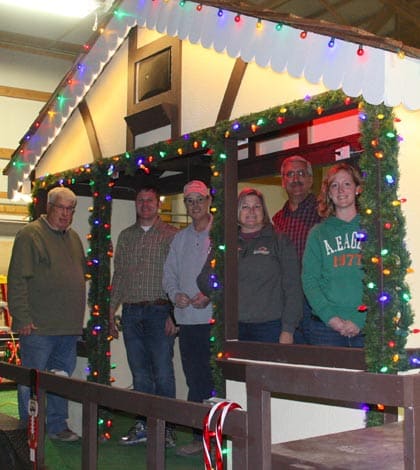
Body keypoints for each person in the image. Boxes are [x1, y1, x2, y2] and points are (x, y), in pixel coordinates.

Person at [8, 186, 86, 442]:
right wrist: (21, 318)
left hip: (68, 328)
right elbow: (17, 280)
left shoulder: (74, 238)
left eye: (70, 209)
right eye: (61, 208)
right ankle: (27, 430)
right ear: (49, 207)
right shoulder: (30, 235)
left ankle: (55, 426)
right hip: (38, 328)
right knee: (31, 381)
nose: (66, 214)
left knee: (60, 381)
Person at [109, 185, 178, 448]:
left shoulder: (172, 235)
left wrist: (174, 315)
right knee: (139, 374)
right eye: (140, 200)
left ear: (158, 204)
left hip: (160, 312)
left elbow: (177, 277)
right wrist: (109, 312)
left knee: (162, 372)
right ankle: (144, 425)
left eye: (150, 200)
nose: (145, 204)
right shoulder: (126, 236)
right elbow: (120, 276)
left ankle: (167, 427)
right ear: (136, 204)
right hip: (131, 313)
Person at [198, 188, 302, 343]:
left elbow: (293, 288)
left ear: (264, 211)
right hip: (232, 327)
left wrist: (288, 329)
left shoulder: (279, 241)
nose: (251, 211)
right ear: (238, 211)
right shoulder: (225, 243)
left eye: (257, 206)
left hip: (270, 328)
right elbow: (203, 279)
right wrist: (221, 293)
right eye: (245, 206)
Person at [163, 180, 214, 457]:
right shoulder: (179, 239)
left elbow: (228, 272)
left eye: (199, 199)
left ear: (209, 201)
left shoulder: (221, 232)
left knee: (217, 381)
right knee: (195, 381)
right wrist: (175, 295)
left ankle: (220, 437)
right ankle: (199, 438)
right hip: (189, 323)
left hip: (215, 322)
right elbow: (169, 274)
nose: (195, 205)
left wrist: (210, 294)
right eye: (189, 201)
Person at [302, 162, 365, 347]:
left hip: (366, 326)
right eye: (334, 185)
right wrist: (332, 319)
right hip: (325, 328)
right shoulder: (318, 233)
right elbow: (309, 281)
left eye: (347, 184)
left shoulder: (372, 228)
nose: (340, 190)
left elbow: (381, 280)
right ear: (328, 193)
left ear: (357, 189)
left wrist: (359, 319)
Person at [272, 156, 321, 344]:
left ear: (310, 179)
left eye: (301, 173)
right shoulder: (277, 220)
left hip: (314, 301)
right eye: (290, 174)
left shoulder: (323, 213)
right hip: (284, 303)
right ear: (283, 182)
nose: (295, 179)